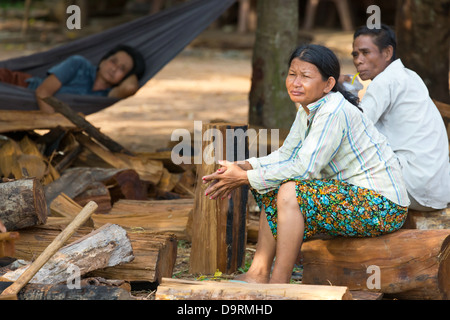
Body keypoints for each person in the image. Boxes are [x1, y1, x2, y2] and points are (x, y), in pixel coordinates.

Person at [202, 44, 410, 284]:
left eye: (306, 76)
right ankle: (258, 273)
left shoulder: (333, 112)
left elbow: (305, 168)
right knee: (272, 186)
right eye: (292, 74)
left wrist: (243, 178)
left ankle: (279, 284)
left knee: (290, 190)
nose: (295, 83)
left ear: (328, 84)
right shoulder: (308, 108)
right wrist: (243, 166)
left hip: (382, 206)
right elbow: (287, 154)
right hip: (353, 197)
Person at [349, 24, 450, 211]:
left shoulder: (385, 81)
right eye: (355, 54)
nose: (359, 61)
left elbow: (353, 129)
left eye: (365, 52)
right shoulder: (408, 75)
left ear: (387, 53)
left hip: (415, 187)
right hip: (437, 188)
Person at [0, 44, 145, 113]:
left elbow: (130, 88)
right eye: (113, 61)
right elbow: (43, 92)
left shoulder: (106, 95)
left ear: (125, 77)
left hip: (23, 102)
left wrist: (135, 72)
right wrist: (53, 126)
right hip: (14, 87)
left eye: (122, 69)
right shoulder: (78, 64)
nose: (114, 69)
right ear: (103, 61)